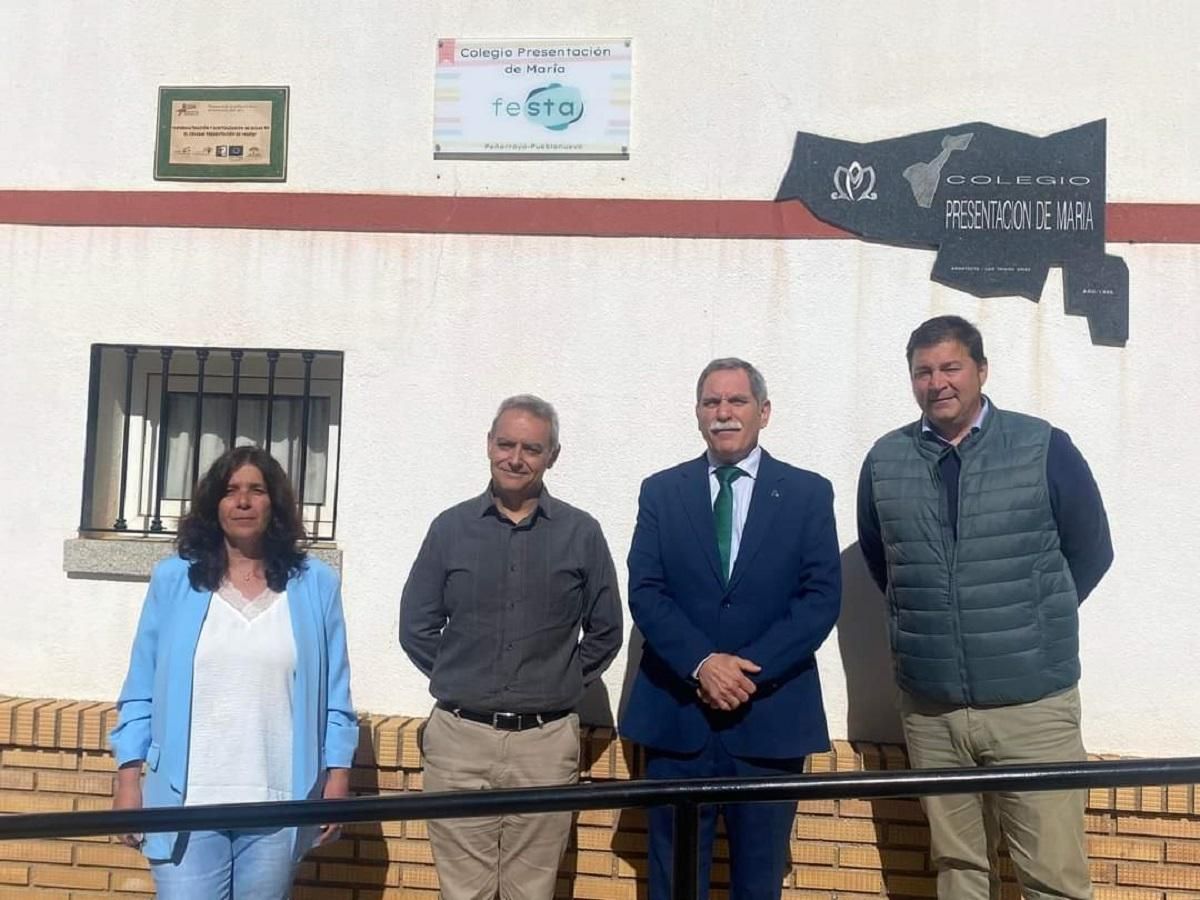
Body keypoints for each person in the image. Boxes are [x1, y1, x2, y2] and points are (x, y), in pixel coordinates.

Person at [857, 315, 1114, 900]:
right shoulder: (884, 461)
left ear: (981, 371)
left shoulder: (1042, 446)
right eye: (923, 371)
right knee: (959, 872)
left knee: (1053, 878)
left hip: (1034, 705)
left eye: (951, 367)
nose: (937, 382)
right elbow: (886, 564)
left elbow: (1091, 551)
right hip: (933, 711)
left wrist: (1028, 620)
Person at [621, 358, 842, 900]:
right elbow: (646, 589)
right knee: (673, 882)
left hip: (769, 720)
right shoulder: (661, 492)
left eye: (736, 401)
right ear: (698, 414)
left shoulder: (808, 493)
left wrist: (743, 673)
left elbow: (820, 599)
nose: (723, 413)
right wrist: (703, 664)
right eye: (711, 402)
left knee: (758, 883)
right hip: (678, 718)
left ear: (763, 412)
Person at [399, 394, 623, 900]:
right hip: (459, 742)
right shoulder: (450, 529)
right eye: (506, 444)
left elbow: (606, 630)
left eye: (532, 448)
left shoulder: (581, 533)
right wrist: (464, 676)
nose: (516, 458)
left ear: (553, 456)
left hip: (544, 745)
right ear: (488, 445)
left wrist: (559, 680)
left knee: (531, 893)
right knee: (463, 894)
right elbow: (416, 625)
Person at [110, 445, 357, 900]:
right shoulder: (174, 580)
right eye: (230, 491)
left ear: (274, 504)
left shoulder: (314, 584)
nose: (243, 501)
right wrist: (128, 780)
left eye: (256, 491)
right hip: (184, 805)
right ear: (214, 506)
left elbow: (335, 696)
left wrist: (337, 777)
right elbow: (141, 688)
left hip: (278, 802)